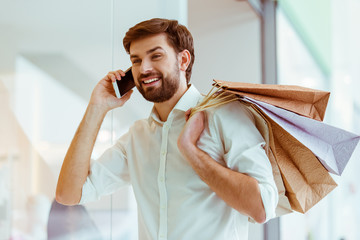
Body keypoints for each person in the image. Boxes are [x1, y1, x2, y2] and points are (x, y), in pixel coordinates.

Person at [56, 18, 278, 240]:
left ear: (183, 60)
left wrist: (191, 151)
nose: (144, 68)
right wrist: (97, 108)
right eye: (136, 60)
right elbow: (68, 194)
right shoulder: (137, 137)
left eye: (156, 56)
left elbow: (261, 207)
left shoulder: (225, 114)